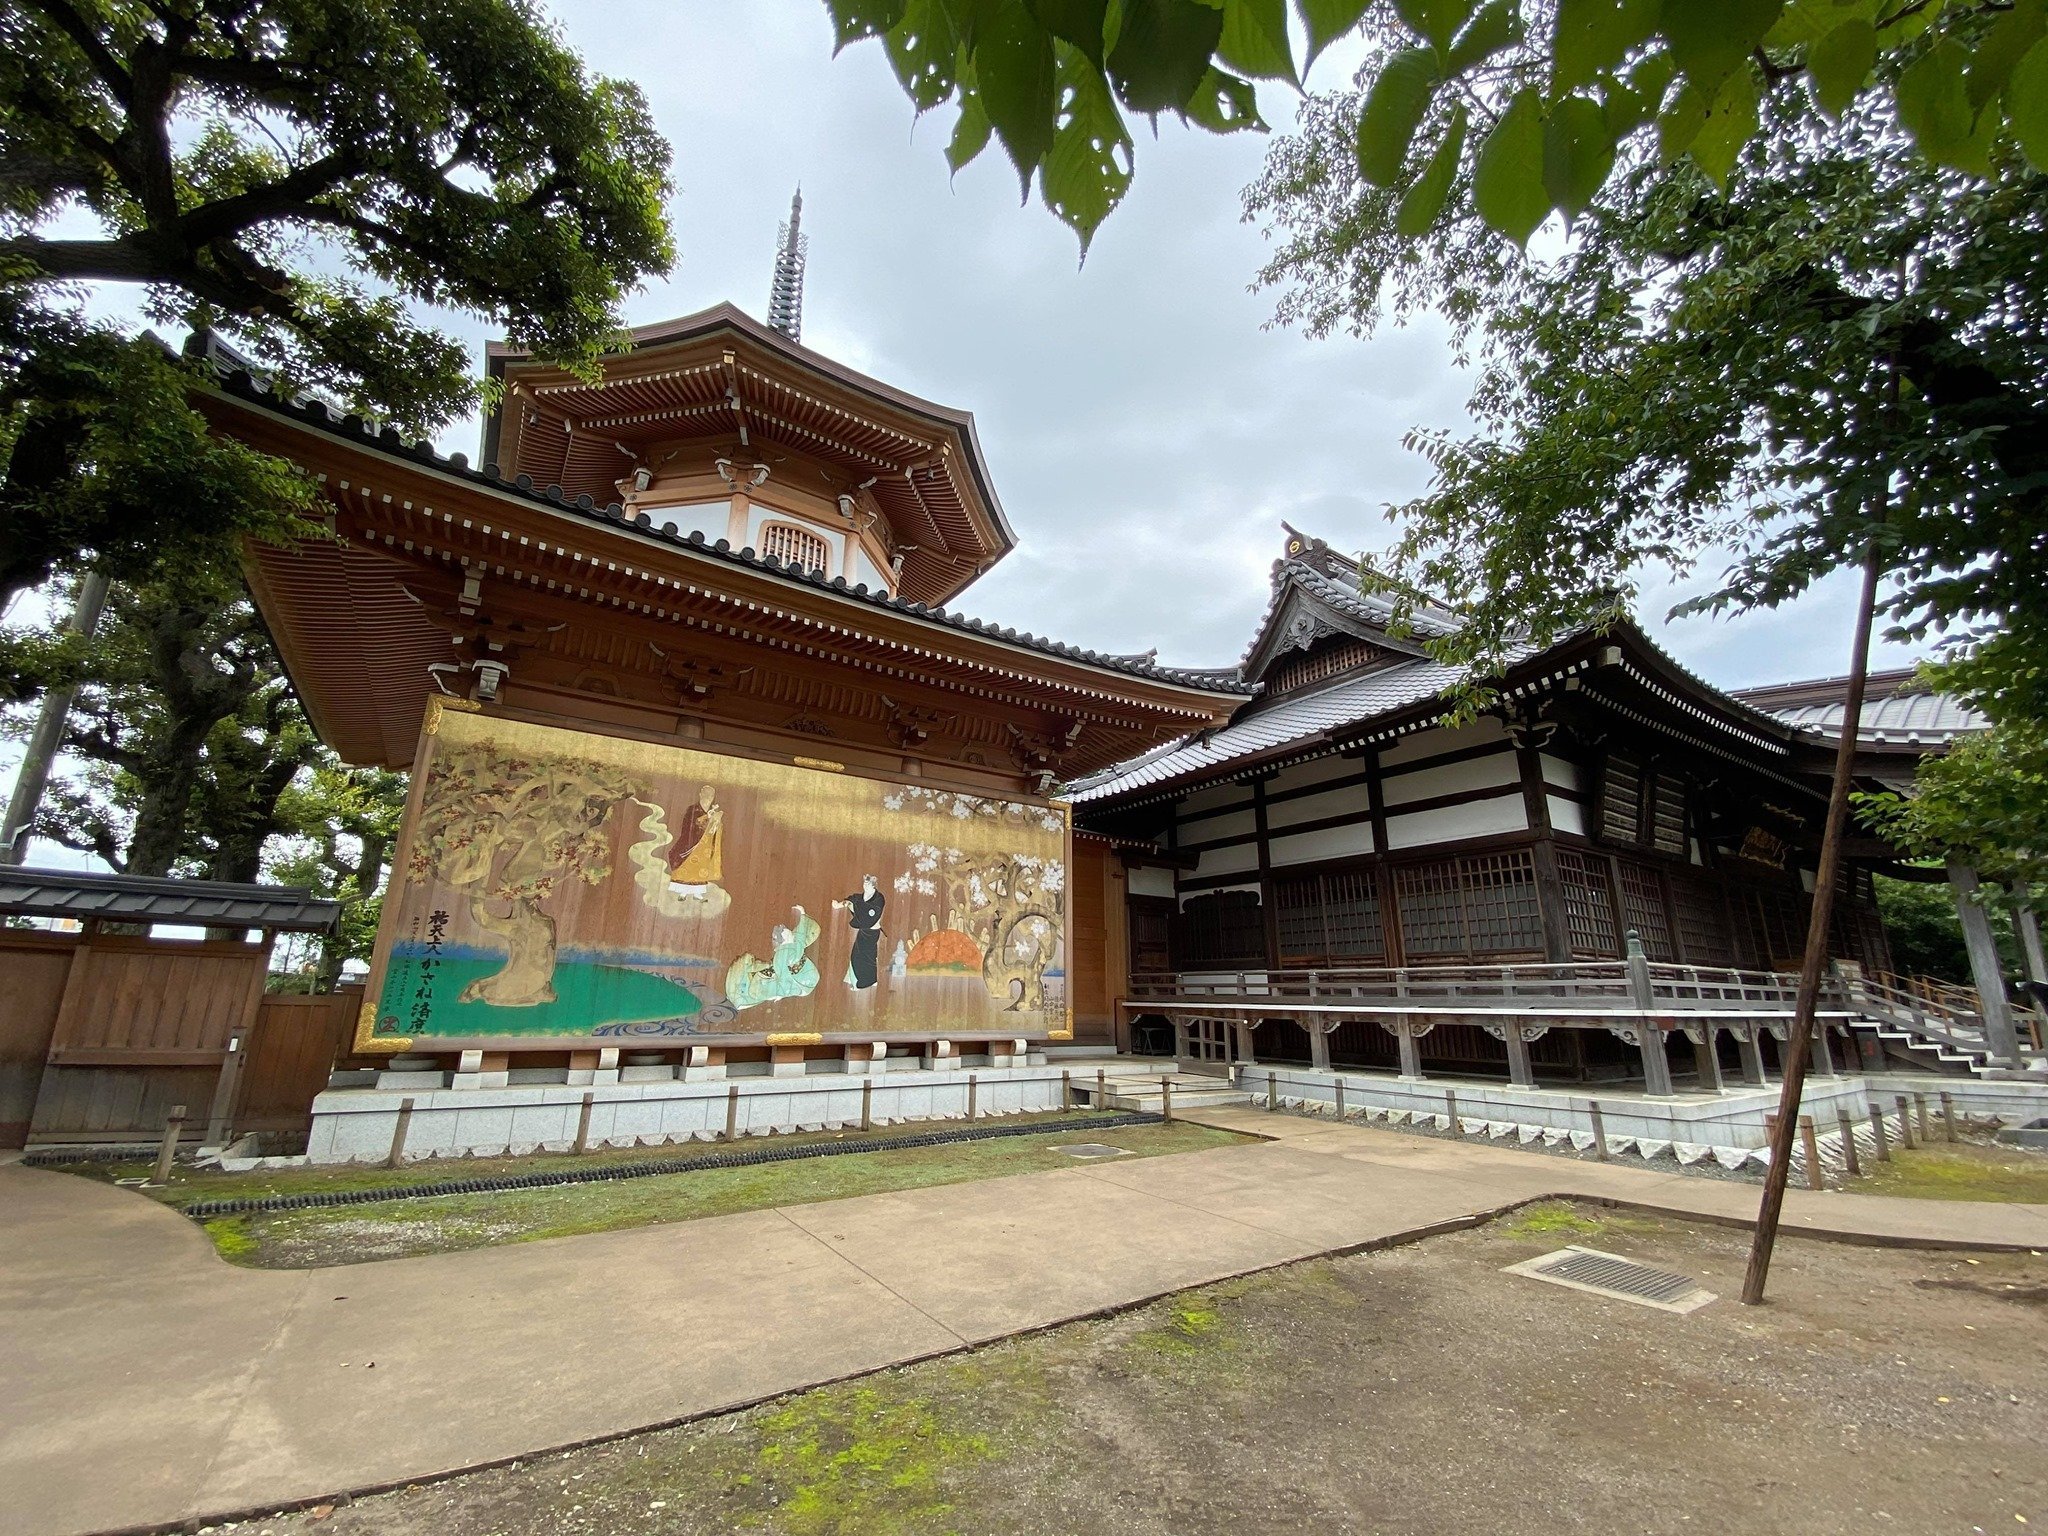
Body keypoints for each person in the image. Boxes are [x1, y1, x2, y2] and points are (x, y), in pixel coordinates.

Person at [724, 905, 819, 1010]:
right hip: (803, 980)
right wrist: (803, 915)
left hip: (802, 981)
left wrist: (803, 915)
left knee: (763, 980)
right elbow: (799, 940)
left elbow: (799, 940)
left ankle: (744, 994)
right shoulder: (788, 954)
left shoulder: (786, 954)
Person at [833, 875, 886, 990]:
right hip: (864, 931)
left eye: (868, 885)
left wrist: (854, 907)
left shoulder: (878, 899)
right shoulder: (861, 897)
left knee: (862, 956)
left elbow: (870, 914)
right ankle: (869, 979)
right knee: (862, 955)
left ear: (874, 886)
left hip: (872, 932)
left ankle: (862, 982)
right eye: (864, 884)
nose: (865, 887)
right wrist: (841, 905)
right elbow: (852, 901)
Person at [669, 784, 723, 887]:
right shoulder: (692, 810)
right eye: (706, 795)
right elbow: (689, 825)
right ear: (700, 794)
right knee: (685, 867)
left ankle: (697, 892)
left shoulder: (712, 811)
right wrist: (706, 817)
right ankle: (682, 891)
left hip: (704, 845)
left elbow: (713, 829)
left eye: (711, 796)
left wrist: (716, 821)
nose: (708, 798)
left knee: (701, 868)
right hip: (691, 843)